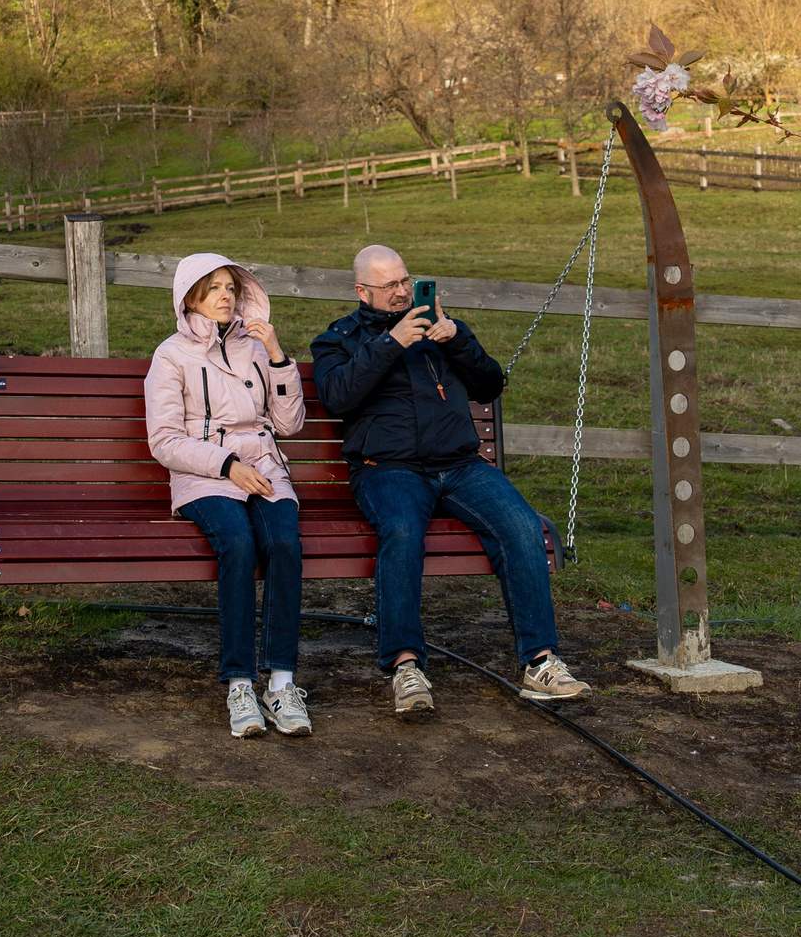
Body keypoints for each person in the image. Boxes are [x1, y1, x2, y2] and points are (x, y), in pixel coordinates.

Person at [310, 243, 590, 714]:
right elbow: (337, 397)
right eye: (390, 286)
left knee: (523, 526)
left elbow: (489, 385)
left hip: (461, 465)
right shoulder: (338, 339)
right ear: (362, 291)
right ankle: (405, 666)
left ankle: (540, 661)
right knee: (401, 532)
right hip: (388, 469)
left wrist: (457, 337)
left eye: (405, 281)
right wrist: (392, 342)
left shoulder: (440, 331)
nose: (402, 292)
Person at [144, 253, 314, 739]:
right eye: (213, 287)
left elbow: (288, 425)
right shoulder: (171, 355)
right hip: (205, 474)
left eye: (231, 287)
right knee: (238, 544)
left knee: (283, 543)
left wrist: (279, 355)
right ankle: (240, 682)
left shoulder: (255, 348)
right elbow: (164, 440)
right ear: (190, 297)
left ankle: (281, 681)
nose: (225, 295)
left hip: (263, 468)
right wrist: (227, 467)